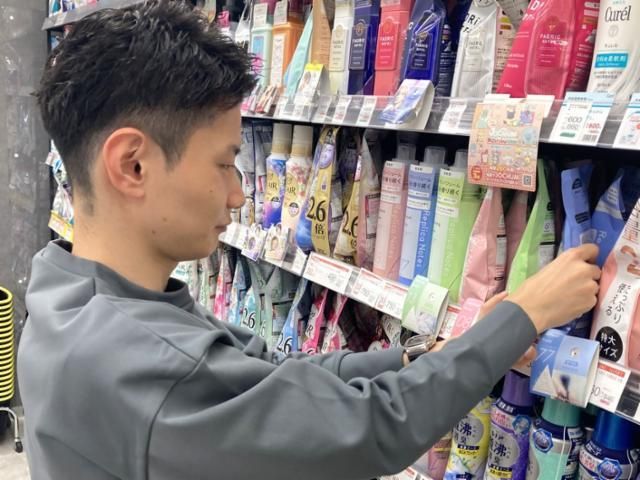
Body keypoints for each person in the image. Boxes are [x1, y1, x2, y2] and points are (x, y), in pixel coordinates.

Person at [17, 2, 602, 479]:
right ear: (133, 165)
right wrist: (524, 314)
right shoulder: (141, 364)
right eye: (223, 163)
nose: (238, 195)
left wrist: (435, 352)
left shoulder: (70, 290)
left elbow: (273, 376)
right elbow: (373, 428)